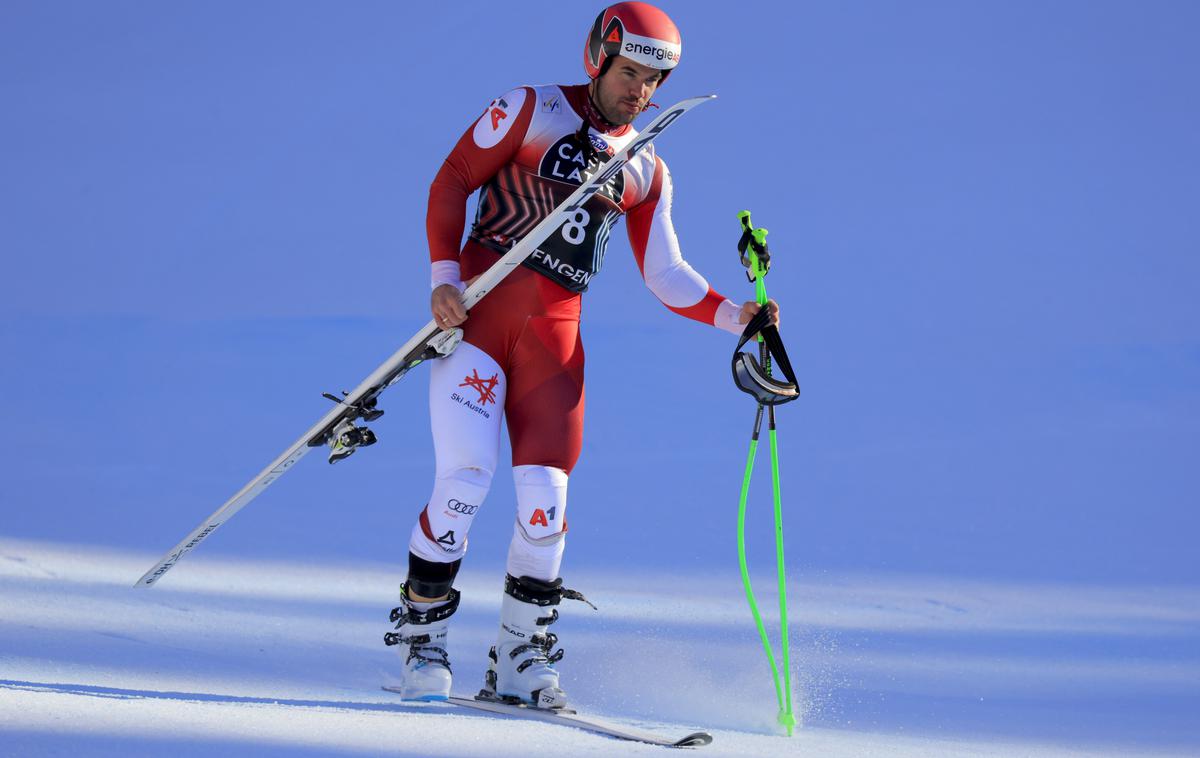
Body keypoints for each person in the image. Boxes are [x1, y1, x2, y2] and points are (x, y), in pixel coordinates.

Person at [385, 1, 778, 708]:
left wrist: (734, 315)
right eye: (629, 73)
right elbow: (451, 181)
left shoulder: (646, 168)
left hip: (553, 348)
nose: (639, 93)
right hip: (477, 327)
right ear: (598, 57)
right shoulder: (528, 109)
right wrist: (444, 280)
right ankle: (423, 640)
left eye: (653, 83)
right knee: (466, 480)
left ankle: (520, 656)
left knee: (546, 506)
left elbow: (665, 274)